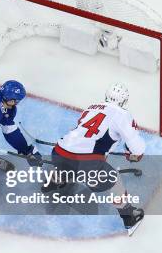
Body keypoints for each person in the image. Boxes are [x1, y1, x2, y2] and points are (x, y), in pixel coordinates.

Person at [50, 82, 146, 231]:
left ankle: (59, 180)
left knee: (70, 159)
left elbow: (83, 133)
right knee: (114, 182)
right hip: (86, 165)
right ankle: (129, 216)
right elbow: (137, 149)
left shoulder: (91, 107)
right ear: (124, 101)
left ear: (106, 96)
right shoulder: (123, 114)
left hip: (58, 152)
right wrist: (132, 154)